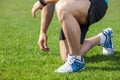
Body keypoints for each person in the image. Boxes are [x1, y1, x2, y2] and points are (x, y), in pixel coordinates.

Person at [31, 0, 114, 73]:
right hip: (74, 4)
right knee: (66, 56)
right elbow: (48, 3)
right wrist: (43, 32)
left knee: (63, 7)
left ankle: (76, 61)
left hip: (96, 3)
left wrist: (42, 1)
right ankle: (103, 37)